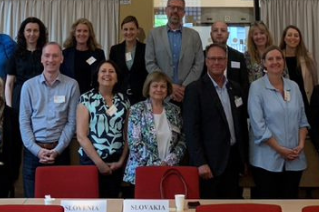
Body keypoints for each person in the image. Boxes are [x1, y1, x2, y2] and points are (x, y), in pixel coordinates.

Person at [183, 44, 249, 199]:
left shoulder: (235, 88)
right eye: (212, 59)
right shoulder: (195, 90)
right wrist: (200, 162)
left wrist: (244, 159)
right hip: (209, 163)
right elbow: (191, 130)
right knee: (210, 209)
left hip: (233, 161)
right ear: (206, 61)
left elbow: (241, 126)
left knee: (232, 207)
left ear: (226, 61)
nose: (217, 62)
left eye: (220, 59)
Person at [18, 43, 80, 198]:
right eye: (47, 55)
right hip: (33, 154)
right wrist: (37, 151)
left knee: (60, 203)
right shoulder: (28, 86)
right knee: (33, 204)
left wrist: (57, 150)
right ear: (41, 59)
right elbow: (24, 122)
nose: (50, 60)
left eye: (55, 56)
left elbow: (71, 122)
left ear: (61, 59)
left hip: (60, 153)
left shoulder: (72, 85)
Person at [247, 47, 309, 199]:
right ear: (264, 63)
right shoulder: (256, 88)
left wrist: (301, 144)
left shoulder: (293, 86)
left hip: (294, 159)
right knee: (269, 206)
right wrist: (280, 150)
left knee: (290, 204)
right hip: (266, 160)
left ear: (284, 62)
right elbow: (258, 126)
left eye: (279, 58)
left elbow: (302, 120)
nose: (275, 62)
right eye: (270, 59)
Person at [76, 61, 130, 198]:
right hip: (91, 161)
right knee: (91, 204)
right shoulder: (86, 99)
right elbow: (81, 136)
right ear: (97, 76)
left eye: (111, 71)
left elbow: (128, 134)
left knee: (112, 203)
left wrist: (121, 161)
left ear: (117, 77)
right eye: (103, 71)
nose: (107, 74)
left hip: (116, 163)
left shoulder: (124, 100)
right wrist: (99, 164)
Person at [124, 71, 187, 186]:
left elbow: (182, 139)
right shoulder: (137, 110)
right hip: (142, 172)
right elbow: (134, 143)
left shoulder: (175, 111)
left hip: (169, 170)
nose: (159, 89)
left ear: (167, 90)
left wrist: (169, 161)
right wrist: (158, 164)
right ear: (148, 88)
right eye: (155, 86)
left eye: (163, 86)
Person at [145, 0, 204, 103]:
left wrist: (184, 87)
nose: (175, 11)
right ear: (166, 10)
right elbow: (150, 63)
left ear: (184, 13)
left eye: (179, 8)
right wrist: (169, 85)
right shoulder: (154, 34)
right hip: (162, 94)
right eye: (172, 7)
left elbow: (199, 64)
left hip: (187, 93)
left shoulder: (194, 36)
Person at [5, 17, 47, 109]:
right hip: (20, 97)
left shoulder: (46, 54)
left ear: (40, 33)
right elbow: (9, 84)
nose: (32, 34)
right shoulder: (15, 54)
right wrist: (9, 108)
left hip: (42, 96)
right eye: (28, 30)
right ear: (23, 32)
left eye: (35, 31)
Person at [61, 18, 107, 95]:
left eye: (85, 31)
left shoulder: (99, 54)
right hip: (70, 94)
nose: (82, 34)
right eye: (79, 31)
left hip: (93, 95)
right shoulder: (65, 54)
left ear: (90, 34)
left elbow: (103, 75)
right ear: (74, 33)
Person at [109, 15, 149, 103]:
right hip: (120, 94)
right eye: (125, 29)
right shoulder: (115, 50)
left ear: (138, 30)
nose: (128, 32)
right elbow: (112, 72)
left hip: (141, 95)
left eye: (132, 29)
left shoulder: (146, 49)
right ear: (122, 31)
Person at [280, 24, 318, 105]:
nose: (293, 38)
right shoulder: (278, 57)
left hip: (306, 100)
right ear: (284, 38)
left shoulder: (308, 57)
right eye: (289, 35)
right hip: (285, 101)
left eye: (296, 36)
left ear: (300, 39)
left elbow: (315, 80)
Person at [208, 21, 248, 90]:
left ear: (228, 34)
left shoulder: (238, 57)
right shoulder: (202, 55)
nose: (219, 33)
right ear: (211, 34)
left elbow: (244, 83)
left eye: (223, 30)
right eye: (215, 30)